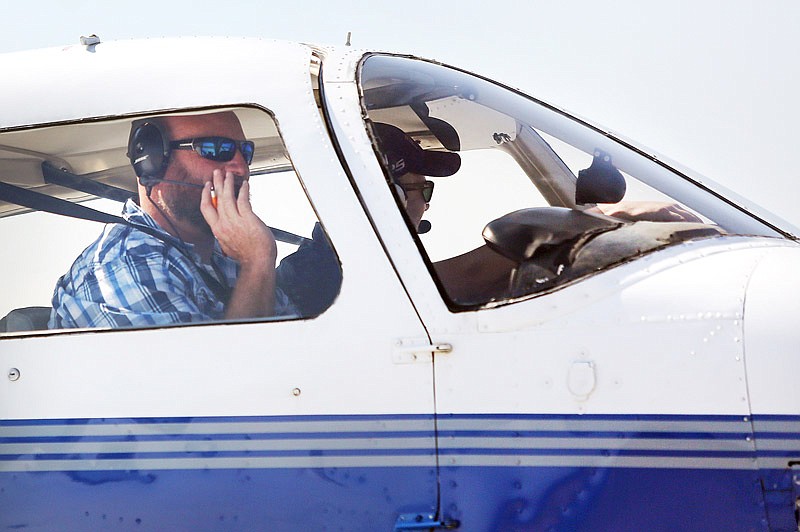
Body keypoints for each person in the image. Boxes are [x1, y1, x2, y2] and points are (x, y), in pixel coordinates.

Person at [49, 111, 295, 329]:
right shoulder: (124, 268)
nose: (242, 169)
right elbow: (222, 376)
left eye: (246, 152)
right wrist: (257, 262)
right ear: (151, 160)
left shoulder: (226, 255)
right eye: (216, 149)